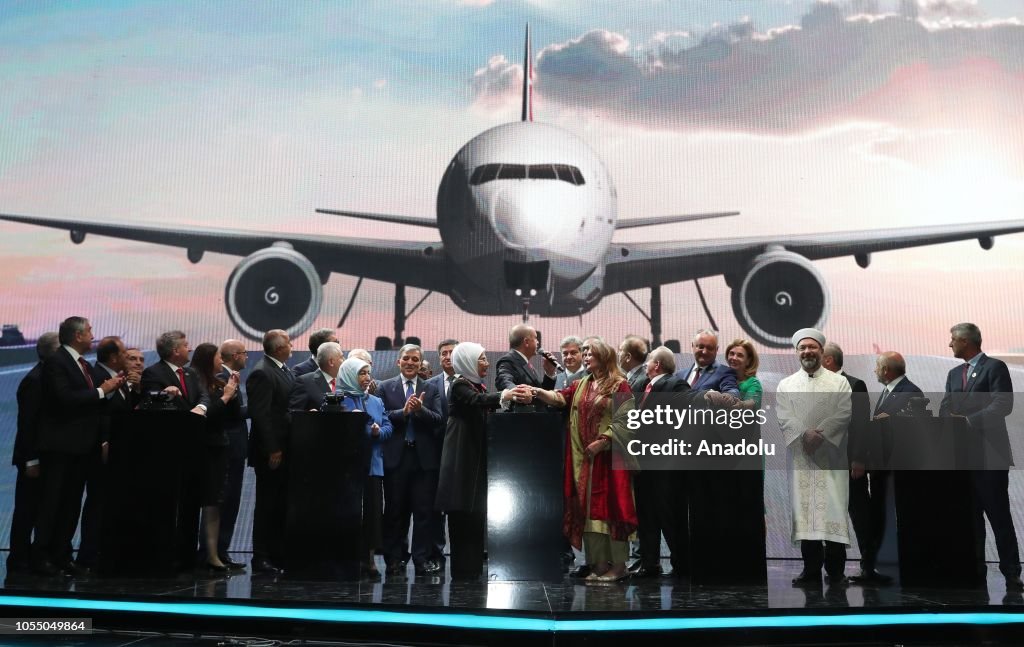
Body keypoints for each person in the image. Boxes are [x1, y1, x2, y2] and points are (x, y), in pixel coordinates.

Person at [532, 339, 637, 583]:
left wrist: (604, 440)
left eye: (591, 353)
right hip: (585, 461)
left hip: (610, 461)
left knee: (613, 511)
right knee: (589, 514)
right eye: (585, 353)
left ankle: (619, 566)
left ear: (604, 356)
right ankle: (599, 565)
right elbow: (559, 398)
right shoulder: (581, 384)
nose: (586, 356)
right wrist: (538, 392)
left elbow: (629, 419)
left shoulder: (620, 385)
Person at [32, 317, 124, 576]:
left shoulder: (82, 364)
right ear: (77, 335)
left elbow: (95, 399)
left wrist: (110, 390)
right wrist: (100, 392)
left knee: (71, 505)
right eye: (90, 331)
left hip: (82, 448)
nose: (93, 335)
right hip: (60, 448)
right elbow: (64, 398)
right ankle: (42, 558)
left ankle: (62, 556)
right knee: (52, 505)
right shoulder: (57, 362)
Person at [939, 322, 1021, 591]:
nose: (950, 344)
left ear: (966, 341)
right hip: (961, 458)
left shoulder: (994, 367)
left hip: (989, 456)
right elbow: (946, 405)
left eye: (953, 339)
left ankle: (1011, 573)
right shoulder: (953, 374)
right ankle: (974, 571)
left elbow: (1003, 404)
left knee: (998, 516)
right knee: (969, 520)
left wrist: (968, 421)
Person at [435, 342, 521, 580]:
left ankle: (472, 568)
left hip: (475, 457)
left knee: (474, 514)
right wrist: (505, 395)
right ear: (468, 361)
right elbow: (476, 400)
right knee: (462, 512)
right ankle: (463, 570)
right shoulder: (460, 384)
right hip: (461, 459)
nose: (486, 363)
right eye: (482, 359)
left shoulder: (475, 384)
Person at [777, 328, 852, 587]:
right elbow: (784, 416)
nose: (807, 351)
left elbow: (843, 413)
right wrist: (803, 434)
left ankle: (836, 572)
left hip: (831, 458)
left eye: (812, 347)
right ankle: (810, 571)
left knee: (833, 513)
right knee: (806, 514)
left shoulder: (839, 382)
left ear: (822, 351)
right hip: (801, 459)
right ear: (797, 352)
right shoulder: (785, 384)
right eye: (802, 348)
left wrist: (820, 435)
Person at [845, 351, 921, 585]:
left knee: (901, 518)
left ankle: (907, 568)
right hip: (881, 470)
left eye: (878, 366)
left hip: (898, 473)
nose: (875, 371)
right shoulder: (889, 393)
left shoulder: (911, 393)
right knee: (877, 518)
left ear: (887, 370)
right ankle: (871, 568)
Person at [378, 344, 444, 576]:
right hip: (396, 459)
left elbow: (437, 418)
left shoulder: (431, 387)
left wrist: (419, 410)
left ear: (420, 363)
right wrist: (404, 412)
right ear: (398, 362)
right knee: (396, 512)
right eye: (406, 358)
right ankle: (395, 560)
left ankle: (421, 559)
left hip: (424, 461)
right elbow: (382, 418)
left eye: (415, 359)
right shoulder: (384, 387)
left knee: (424, 513)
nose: (410, 363)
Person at [629, 345, 690, 578]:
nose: (645, 365)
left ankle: (682, 565)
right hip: (643, 465)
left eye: (648, 361)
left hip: (665, 465)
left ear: (657, 365)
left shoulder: (675, 384)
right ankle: (650, 563)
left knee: (670, 514)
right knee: (646, 515)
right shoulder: (643, 387)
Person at [336, 356, 393, 577]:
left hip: (373, 466)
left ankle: (369, 560)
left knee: (372, 514)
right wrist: (372, 431)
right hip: (350, 468)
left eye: (368, 373)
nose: (367, 378)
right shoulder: (340, 400)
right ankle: (348, 559)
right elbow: (352, 429)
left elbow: (387, 426)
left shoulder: (375, 401)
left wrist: (378, 432)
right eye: (361, 373)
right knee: (350, 515)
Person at [9, 332, 59, 574]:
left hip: (44, 457)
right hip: (33, 458)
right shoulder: (36, 380)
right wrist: (31, 459)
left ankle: (32, 557)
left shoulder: (47, 378)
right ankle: (18, 560)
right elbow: (27, 424)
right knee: (26, 511)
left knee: (39, 510)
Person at [190, 343, 243, 572]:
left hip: (219, 446)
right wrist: (226, 396)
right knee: (204, 501)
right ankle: (204, 553)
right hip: (204, 447)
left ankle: (213, 554)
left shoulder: (219, 381)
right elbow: (207, 415)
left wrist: (232, 393)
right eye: (218, 356)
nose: (221, 360)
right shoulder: (197, 381)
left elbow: (234, 413)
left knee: (215, 502)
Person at [246, 329, 295, 575]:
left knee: (279, 504)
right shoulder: (262, 372)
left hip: (286, 449)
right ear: (278, 349)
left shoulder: (282, 369)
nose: (292, 345)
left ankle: (277, 554)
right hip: (272, 453)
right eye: (288, 342)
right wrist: (272, 448)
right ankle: (261, 557)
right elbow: (261, 415)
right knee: (267, 504)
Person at [214, 339, 249, 569]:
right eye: (244, 353)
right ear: (235, 355)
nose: (247, 357)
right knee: (224, 500)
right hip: (226, 448)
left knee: (231, 501)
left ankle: (221, 551)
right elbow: (227, 414)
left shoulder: (232, 377)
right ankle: (215, 551)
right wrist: (257, 408)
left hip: (234, 448)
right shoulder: (220, 379)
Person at [426, 338, 459, 565]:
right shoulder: (430, 384)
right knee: (433, 507)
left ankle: (461, 554)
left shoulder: (472, 382)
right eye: (443, 353)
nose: (447, 356)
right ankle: (436, 554)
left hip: (460, 454)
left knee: (458, 507)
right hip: (434, 453)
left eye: (451, 353)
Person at [495, 324, 556, 409]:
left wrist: (549, 373)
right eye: (535, 338)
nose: (538, 342)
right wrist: (521, 392)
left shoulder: (527, 364)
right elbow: (504, 381)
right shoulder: (507, 360)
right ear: (526, 342)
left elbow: (541, 395)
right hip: (521, 419)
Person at [675, 329, 739, 396]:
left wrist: (727, 397)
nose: (704, 352)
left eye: (710, 348)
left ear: (716, 349)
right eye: (701, 347)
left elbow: (732, 392)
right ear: (692, 346)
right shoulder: (680, 374)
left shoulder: (725, 372)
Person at [288, 342, 343, 411]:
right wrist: (309, 417)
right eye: (341, 357)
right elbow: (293, 413)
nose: (344, 360)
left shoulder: (343, 381)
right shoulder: (305, 382)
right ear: (331, 362)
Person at [725, 339, 762, 409]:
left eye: (740, 355)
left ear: (748, 361)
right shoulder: (724, 378)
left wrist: (741, 405)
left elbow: (751, 402)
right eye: (732, 353)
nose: (734, 358)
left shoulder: (753, 383)